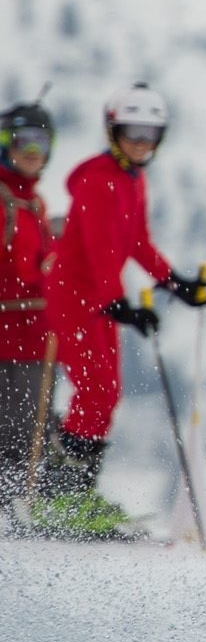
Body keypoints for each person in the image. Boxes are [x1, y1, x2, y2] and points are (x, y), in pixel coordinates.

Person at [35, 82, 206, 539]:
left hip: (98, 302)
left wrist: (176, 284)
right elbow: (95, 249)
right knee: (96, 392)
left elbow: (135, 242)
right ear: (113, 130)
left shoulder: (133, 179)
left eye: (151, 133)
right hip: (77, 302)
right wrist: (117, 303)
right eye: (133, 131)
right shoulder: (97, 179)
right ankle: (61, 499)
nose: (141, 142)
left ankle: (74, 495)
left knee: (106, 393)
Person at [0, 98, 55, 522]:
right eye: (24, 141)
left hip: (35, 335)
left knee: (32, 426)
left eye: (41, 142)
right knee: (13, 430)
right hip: (8, 336)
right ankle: (12, 508)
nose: (33, 152)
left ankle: (25, 507)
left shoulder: (34, 204)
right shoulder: (6, 202)